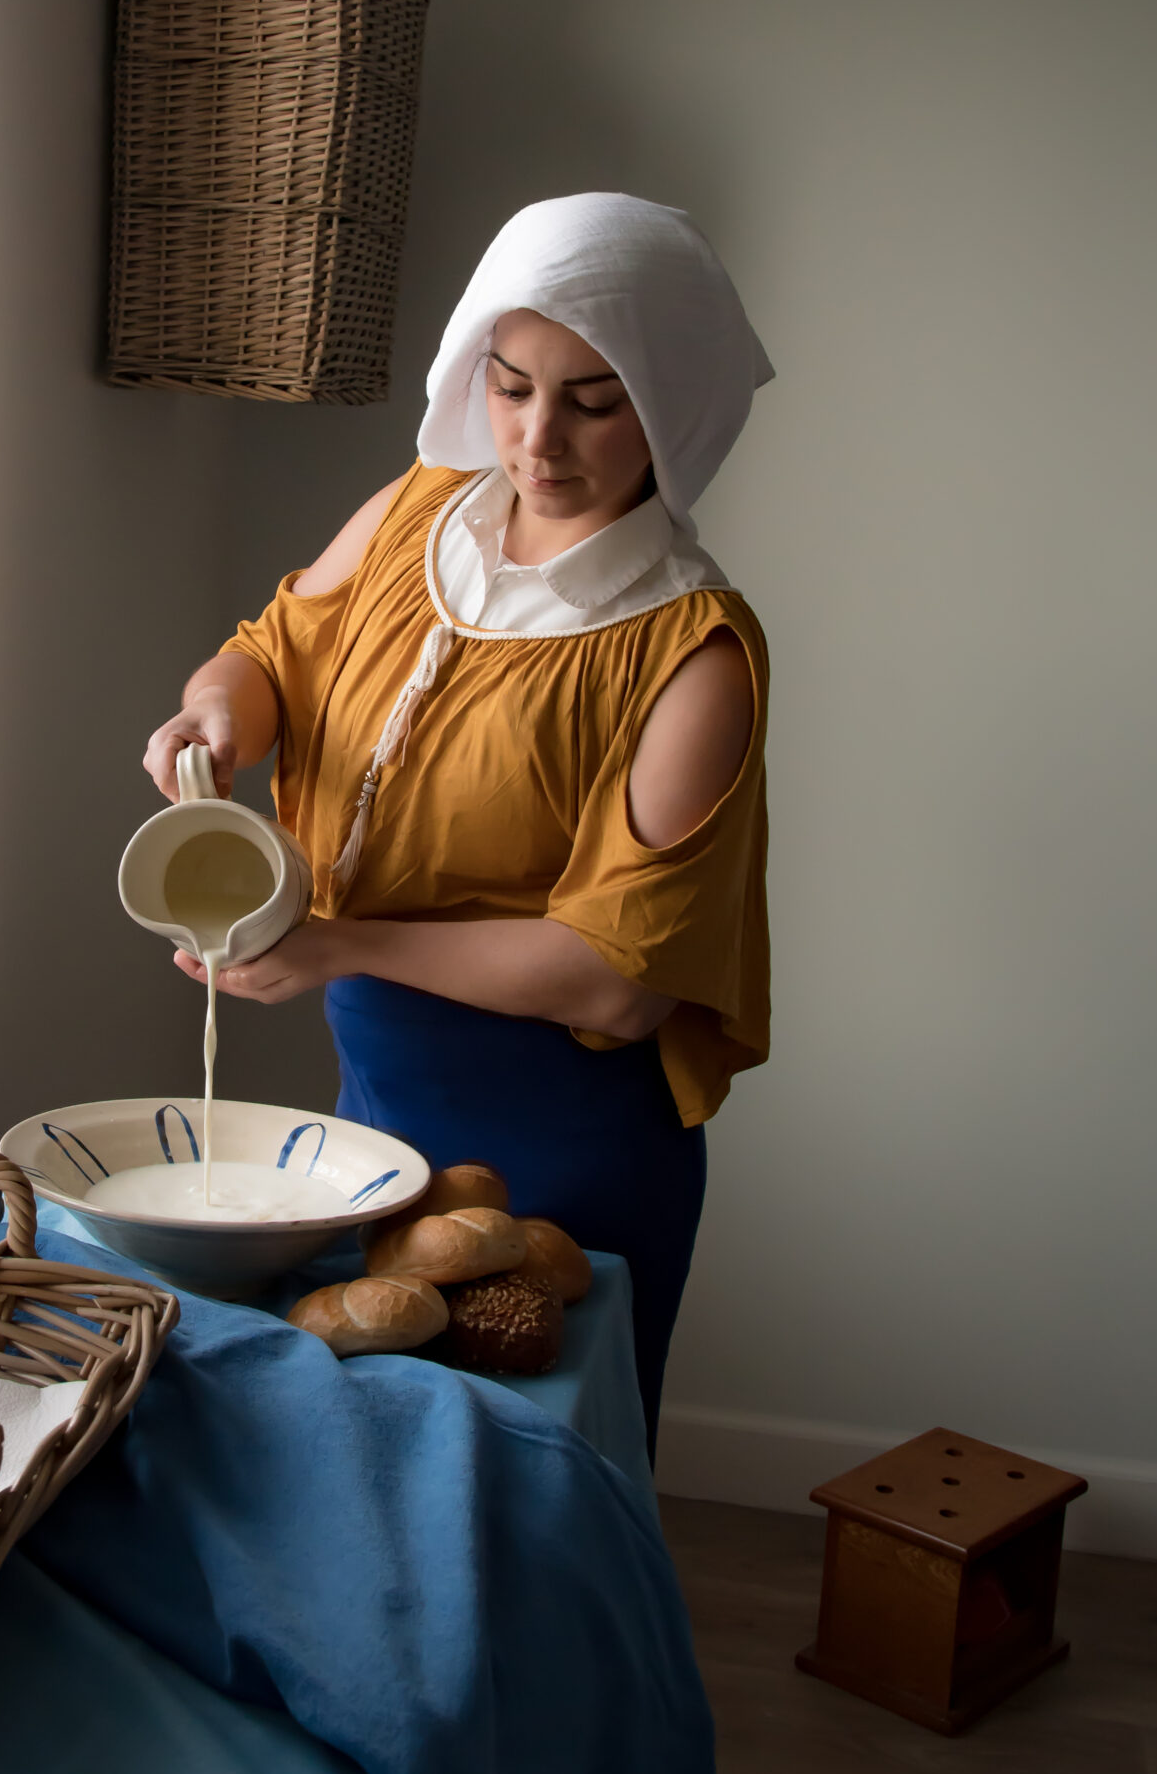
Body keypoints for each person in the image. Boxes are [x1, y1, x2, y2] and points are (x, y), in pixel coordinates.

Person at [144, 193, 773, 1449]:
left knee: (525, 1468)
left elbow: (618, 981)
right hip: (379, 1097)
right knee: (377, 1454)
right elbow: (275, 651)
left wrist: (337, 945)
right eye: (511, 384)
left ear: (671, 403)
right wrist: (216, 714)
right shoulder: (418, 513)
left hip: (568, 1134)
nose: (538, 438)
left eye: (595, 401)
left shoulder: (689, 652)